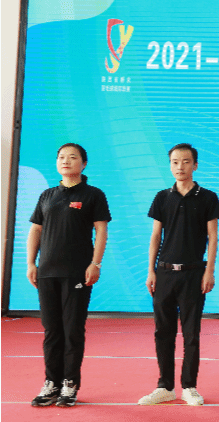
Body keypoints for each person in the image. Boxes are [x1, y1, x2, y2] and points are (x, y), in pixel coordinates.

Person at [27, 143, 111, 407]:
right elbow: (36, 230)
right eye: (61, 157)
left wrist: (95, 263)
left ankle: (70, 383)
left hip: (77, 273)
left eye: (72, 157)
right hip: (47, 272)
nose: (66, 161)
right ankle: (51, 382)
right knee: (52, 330)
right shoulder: (47, 195)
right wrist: (31, 263)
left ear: (83, 164)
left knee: (72, 329)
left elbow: (101, 230)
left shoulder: (93, 194)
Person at [138, 143, 219, 406]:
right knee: (162, 332)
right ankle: (165, 386)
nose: (180, 166)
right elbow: (156, 236)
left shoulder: (208, 197)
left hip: (194, 274)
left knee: (191, 333)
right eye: (175, 162)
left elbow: (212, 237)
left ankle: (189, 386)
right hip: (164, 273)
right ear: (170, 165)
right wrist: (151, 270)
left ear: (195, 165)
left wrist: (209, 270)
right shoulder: (162, 197)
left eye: (185, 161)